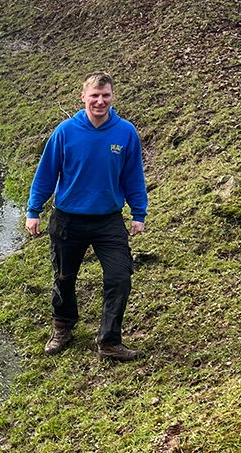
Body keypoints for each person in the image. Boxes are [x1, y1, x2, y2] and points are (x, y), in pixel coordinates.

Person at [25, 72, 148, 361]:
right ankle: (63, 327)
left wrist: (138, 212)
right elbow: (46, 174)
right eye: (94, 95)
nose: (100, 101)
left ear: (112, 97)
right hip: (68, 219)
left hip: (108, 220)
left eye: (105, 95)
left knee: (120, 277)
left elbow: (134, 176)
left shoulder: (125, 132)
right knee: (64, 278)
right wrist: (34, 210)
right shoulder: (66, 132)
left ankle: (109, 340)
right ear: (83, 97)